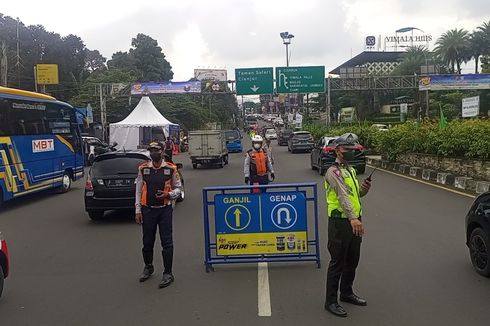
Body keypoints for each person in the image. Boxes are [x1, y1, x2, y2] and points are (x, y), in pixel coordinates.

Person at [323, 133, 371, 318]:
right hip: (340, 223)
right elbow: (342, 196)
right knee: (337, 262)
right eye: (346, 149)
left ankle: (347, 292)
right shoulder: (333, 172)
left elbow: (353, 194)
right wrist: (353, 218)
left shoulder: (350, 170)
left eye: (352, 149)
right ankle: (330, 301)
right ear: (337, 150)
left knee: (353, 259)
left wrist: (364, 189)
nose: (350, 152)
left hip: (354, 220)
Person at [135, 142, 182, 288]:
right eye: (151, 151)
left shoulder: (171, 169)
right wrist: (137, 210)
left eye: (156, 150)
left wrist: (169, 194)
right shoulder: (143, 169)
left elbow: (178, 189)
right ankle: (148, 267)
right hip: (147, 209)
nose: (153, 153)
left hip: (164, 209)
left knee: (167, 242)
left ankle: (168, 273)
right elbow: (138, 190)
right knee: (147, 241)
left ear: (162, 152)